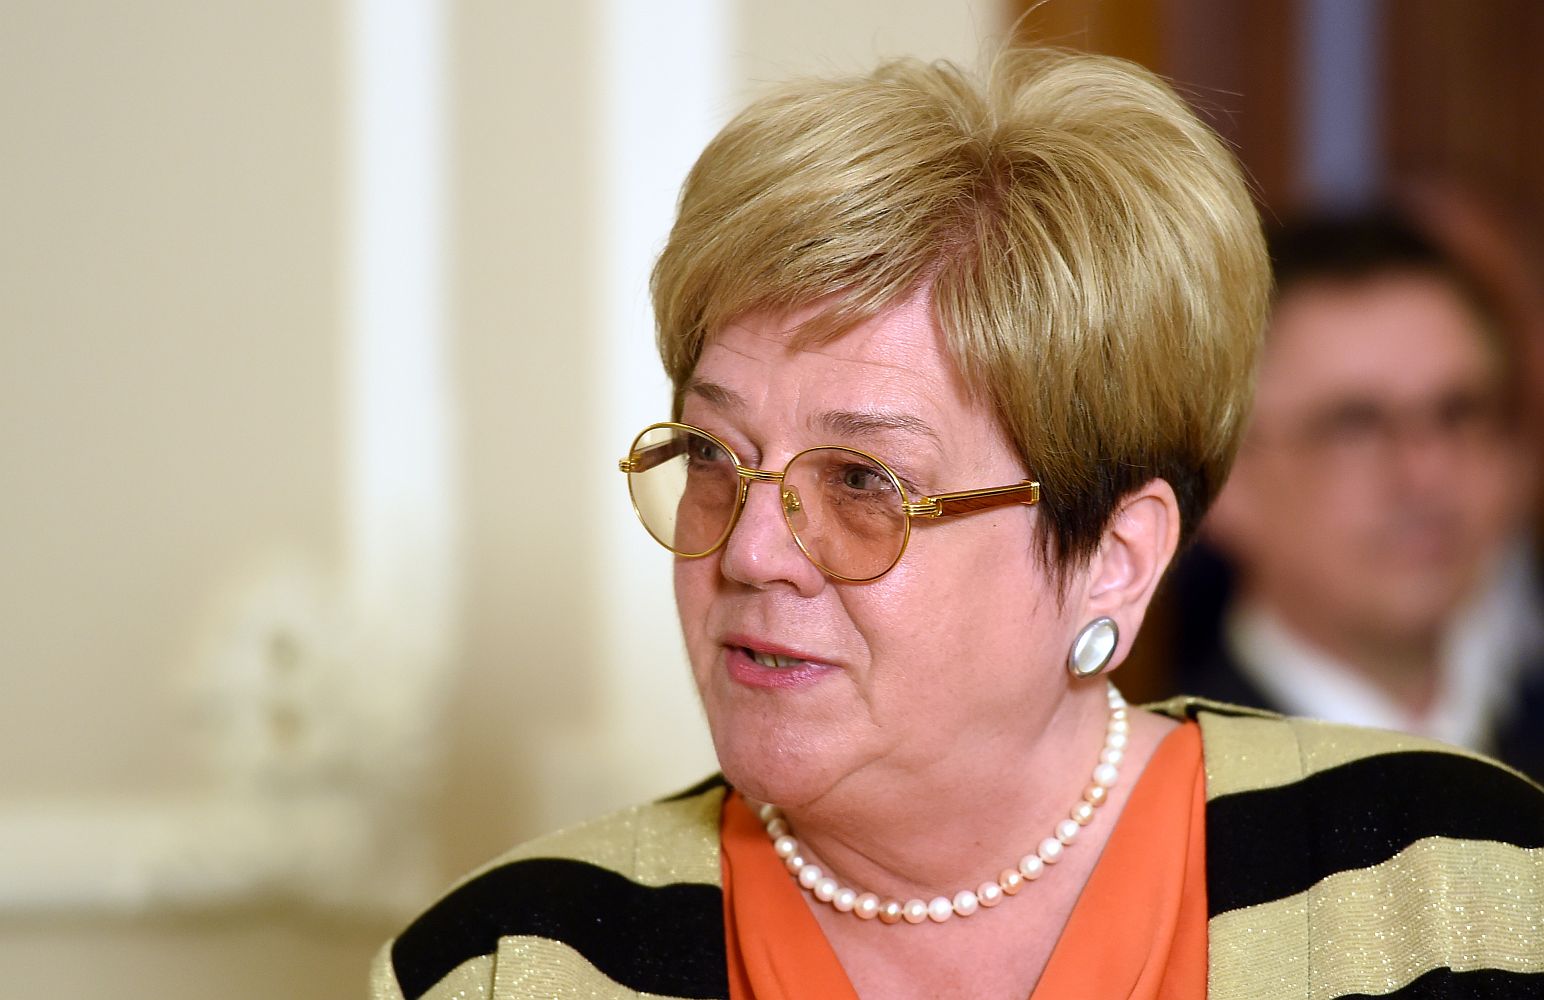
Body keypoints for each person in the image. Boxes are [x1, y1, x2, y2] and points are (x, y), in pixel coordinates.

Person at [372, 49, 1544, 1000]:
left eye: (862, 481)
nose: (749, 552)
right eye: (716, 459)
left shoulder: (1453, 885)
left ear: (1112, 556)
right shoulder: (503, 966)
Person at [1179, 212, 1544, 778]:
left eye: (1458, 413)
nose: (1426, 472)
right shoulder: (1173, 792)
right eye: (1355, 425)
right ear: (1229, 480)